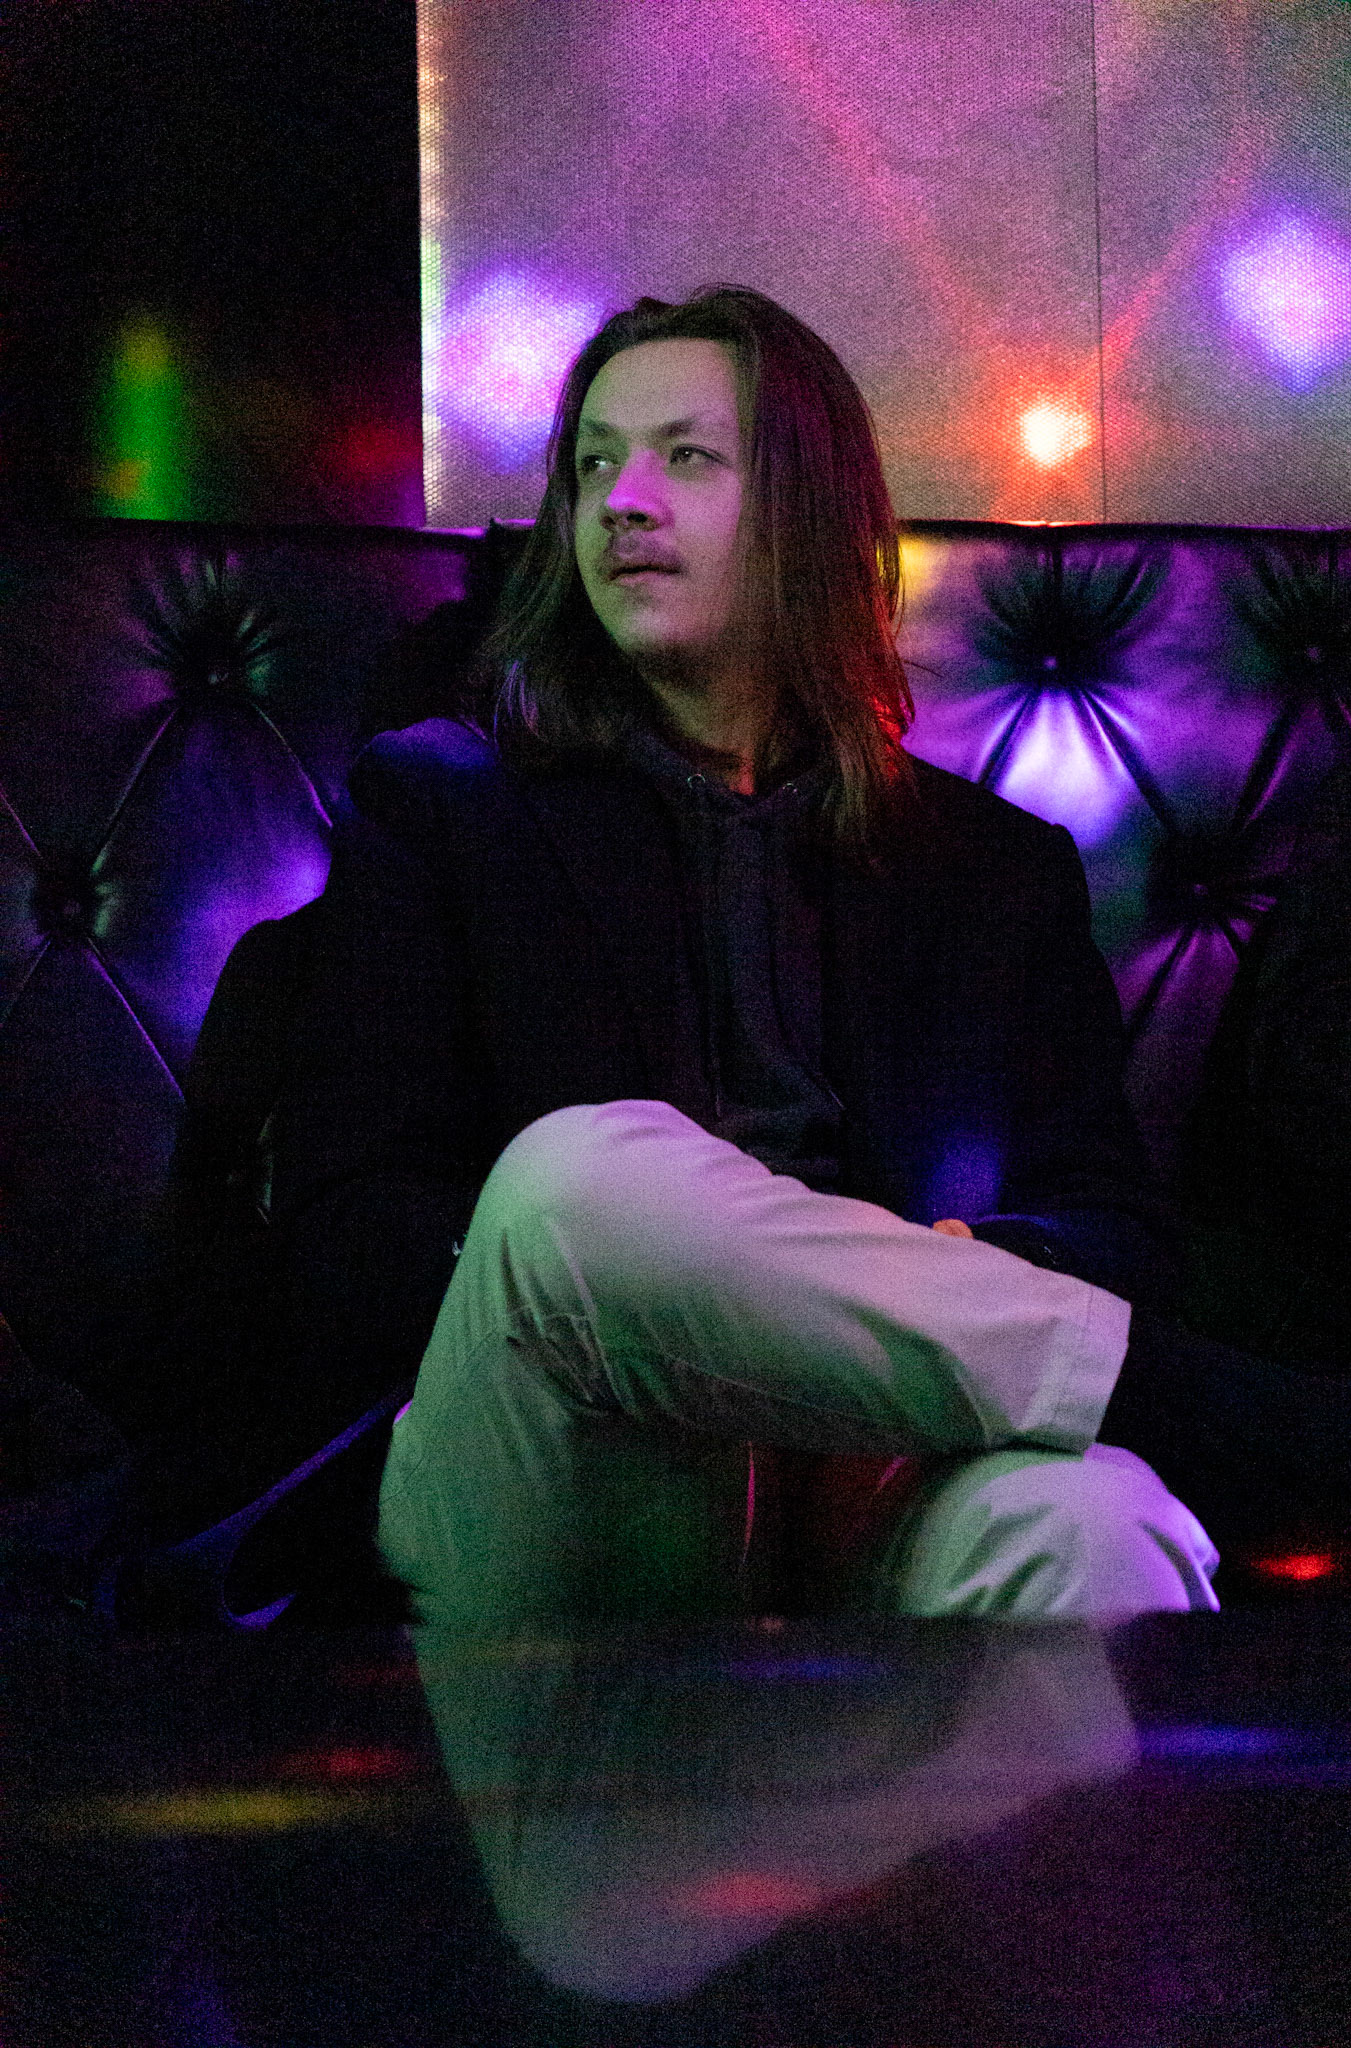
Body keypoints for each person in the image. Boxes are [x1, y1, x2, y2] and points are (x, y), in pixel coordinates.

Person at [266, 289, 1245, 1629]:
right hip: (564, 1458)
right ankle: (1215, 1410)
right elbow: (345, 1228)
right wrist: (663, 1302)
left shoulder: (989, 867)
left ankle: (1104, 1456)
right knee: (578, 1180)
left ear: (807, 511)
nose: (622, 503)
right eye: (594, 464)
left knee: (1101, 1526)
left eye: (686, 456)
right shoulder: (444, 806)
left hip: (886, 1458)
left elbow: (1113, 1225)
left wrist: (948, 1264)